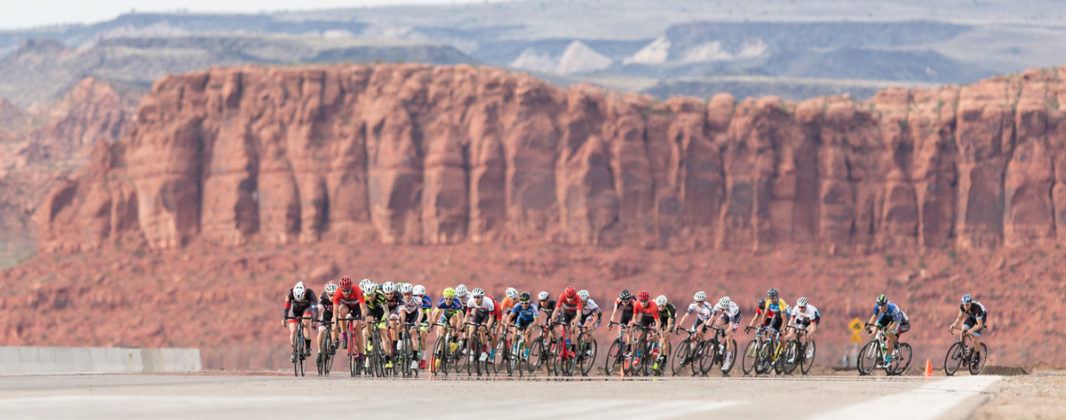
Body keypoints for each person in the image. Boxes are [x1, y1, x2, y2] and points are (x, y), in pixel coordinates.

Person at [332, 277, 369, 362]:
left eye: (348, 290)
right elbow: (335, 310)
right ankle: (344, 336)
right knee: (341, 313)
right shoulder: (337, 292)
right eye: (344, 290)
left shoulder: (357, 290)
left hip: (357, 309)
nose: (346, 293)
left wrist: (364, 320)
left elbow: (363, 309)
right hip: (346, 306)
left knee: (357, 329)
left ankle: (361, 354)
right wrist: (335, 321)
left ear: (351, 287)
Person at [867, 294, 910, 365]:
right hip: (888, 317)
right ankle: (883, 348)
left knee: (890, 336)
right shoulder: (877, 306)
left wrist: (888, 331)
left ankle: (888, 359)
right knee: (876, 327)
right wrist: (868, 325)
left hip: (901, 323)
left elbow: (895, 323)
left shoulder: (893, 309)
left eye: (882, 305)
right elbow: (874, 316)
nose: (880, 307)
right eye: (879, 305)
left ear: (886, 304)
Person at [283, 281, 317, 363]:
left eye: (301, 299)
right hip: (294, 310)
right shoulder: (290, 293)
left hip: (306, 309)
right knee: (293, 331)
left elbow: (315, 309)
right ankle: (294, 351)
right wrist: (284, 318)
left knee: (306, 323)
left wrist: (314, 320)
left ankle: (308, 347)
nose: (300, 300)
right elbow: (286, 307)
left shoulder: (310, 294)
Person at [949, 294, 987, 364]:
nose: (965, 306)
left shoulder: (977, 308)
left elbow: (979, 324)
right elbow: (960, 318)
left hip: (981, 319)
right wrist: (954, 324)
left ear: (970, 303)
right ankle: (963, 349)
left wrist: (971, 330)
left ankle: (977, 357)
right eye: (964, 305)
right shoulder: (962, 307)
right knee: (963, 330)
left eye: (967, 305)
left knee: (974, 339)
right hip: (972, 317)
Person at [362, 280, 392, 365]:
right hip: (370, 310)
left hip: (380, 311)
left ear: (375, 292)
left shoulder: (381, 296)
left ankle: (387, 358)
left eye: (372, 295)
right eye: (368, 295)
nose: (370, 298)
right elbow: (362, 309)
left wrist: (388, 321)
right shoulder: (363, 296)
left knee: (383, 333)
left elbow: (386, 310)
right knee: (368, 321)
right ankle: (370, 340)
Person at [463, 287, 497, 361]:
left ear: (482, 297)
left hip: (487, 315)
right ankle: (472, 350)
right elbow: (467, 315)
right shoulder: (471, 301)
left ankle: (484, 352)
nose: (476, 299)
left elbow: (491, 318)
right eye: (474, 297)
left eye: (478, 297)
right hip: (478, 313)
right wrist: (464, 324)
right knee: (471, 330)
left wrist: (487, 328)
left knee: (482, 329)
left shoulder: (488, 302)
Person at [550, 286, 584, 360]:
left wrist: (574, 323)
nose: (569, 299)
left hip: (575, 313)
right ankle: (564, 348)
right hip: (567, 313)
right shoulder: (562, 296)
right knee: (562, 328)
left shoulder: (578, 298)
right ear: (565, 295)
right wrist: (552, 319)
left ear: (574, 296)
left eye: (571, 297)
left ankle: (573, 350)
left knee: (574, 329)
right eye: (568, 297)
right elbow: (556, 310)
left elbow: (578, 315)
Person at [629, 290, 661, 367]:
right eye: (641, 301)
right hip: (645, 318)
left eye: (645, 301)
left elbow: (658, 322)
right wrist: (634, 325)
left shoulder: (653, 307)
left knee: (653, 333)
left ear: (648, 300)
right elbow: (635, 317)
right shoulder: (636, 304)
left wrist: (656, 331)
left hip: (654, 319)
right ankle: (638, 358)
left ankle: (656, 347)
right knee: (639, 338)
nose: (643, 303)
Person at [506, 292, 539, 358]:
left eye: (526, 303)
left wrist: (530, 327)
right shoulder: (518, 305)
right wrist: (508, 322)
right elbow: (510, 315)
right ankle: (514, 349)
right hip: (521, 320)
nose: (524, 305)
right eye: (522, 303)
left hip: (531, 321)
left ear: (529, 301)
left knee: (526, 334)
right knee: (514, 330)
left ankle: (526, 354)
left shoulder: (533, 307)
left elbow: (536, 321)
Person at [316, 280, 338, 366]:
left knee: (334, 327)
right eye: (330, 295)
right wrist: (317, 319)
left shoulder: (339, 298)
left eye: (334, 295)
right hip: (325, 315)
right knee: (321, 331)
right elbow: (319, 309)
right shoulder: (322, 297)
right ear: (327, 293)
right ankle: (319, 352)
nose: (332, 297)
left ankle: (332, 344)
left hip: (334, 315)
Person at [412, 285, 433, 369]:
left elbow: (429, 316)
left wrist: (428, 324)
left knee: (423, 335)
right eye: (417, 295)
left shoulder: (427, 301)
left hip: (423, 320)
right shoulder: (411, 299)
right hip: (414, 319)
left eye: (421, 296)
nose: (419, 297)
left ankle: (423, 358)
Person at [654, 295, 675, 367]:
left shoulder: (670, 308)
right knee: (654, 333)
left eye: (663, 306)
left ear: (665, 304)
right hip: (660, 320)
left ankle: (665, 359)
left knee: (665, 337)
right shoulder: (655, 307)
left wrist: (667, 330)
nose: (661, 308)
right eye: (659, 306)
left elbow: (669, 324)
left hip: (669, 320)